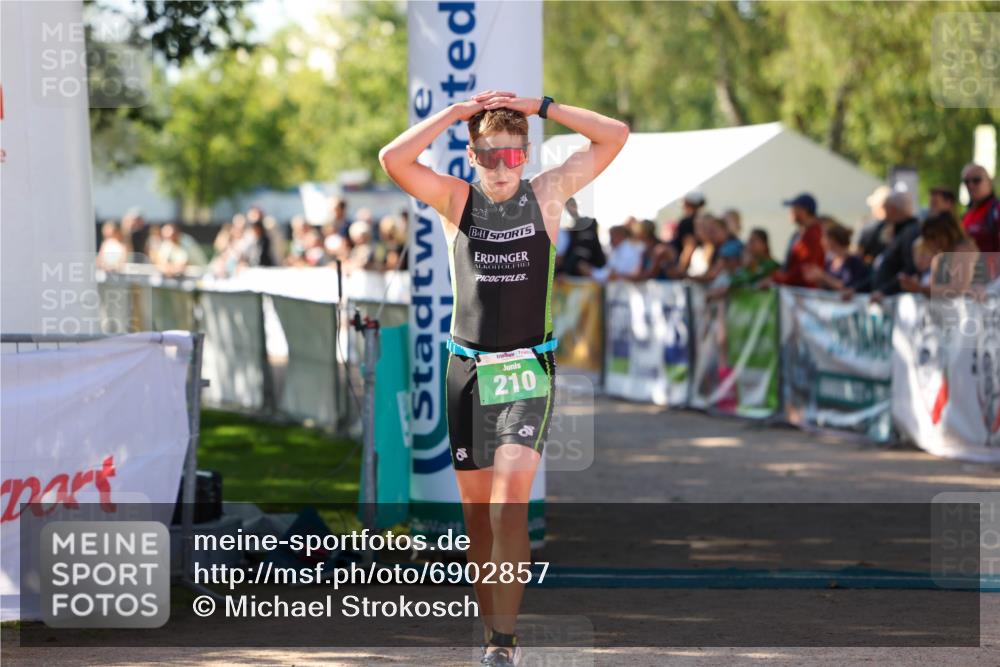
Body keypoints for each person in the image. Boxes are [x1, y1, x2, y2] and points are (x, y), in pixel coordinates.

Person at [379, 89, 628, 666]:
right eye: (488, 156)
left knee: (507, 505)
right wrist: (454, 114)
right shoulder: (455, 200)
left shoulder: (547, 195)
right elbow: (393, 159)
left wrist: (543, 106)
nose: (500, 168)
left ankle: (502, 643)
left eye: (512, 157)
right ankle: (494, 625)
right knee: (477, 521)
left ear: (526, 157)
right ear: (472, 156)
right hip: (466, 369)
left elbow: (614, 134)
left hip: (526, 369)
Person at [768, 193, 824, 288]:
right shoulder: (799, 234)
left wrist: (778, 278)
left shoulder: (813, 235)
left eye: (794, 209)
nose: (791, 212)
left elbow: (805, 268)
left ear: (803, 211)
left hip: (805, 293)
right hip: (794, 290)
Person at [870, 191, 920, 297]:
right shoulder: (899, 232)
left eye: (885, 209)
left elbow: (910, 269)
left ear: (893, 208)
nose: (884, 214)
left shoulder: (909, 232)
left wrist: (885, 291)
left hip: (897, 301)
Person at [804, 219, 870, 293]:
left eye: (824, 238)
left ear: (832, 240)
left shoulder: (854, 262)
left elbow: (847, 287)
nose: (821, 241)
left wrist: (823, 276)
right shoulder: (829, 261)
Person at [557, 197, 606, 277]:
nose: (570, 209)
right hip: (572, 272)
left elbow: (584, 249)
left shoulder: (589, 224)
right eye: (567, 207)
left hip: (587, 271)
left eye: (572, 206)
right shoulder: (569, 230)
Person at [959, 163, 1000, 254]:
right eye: (966, 181)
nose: (971, 185)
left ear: (989, 182)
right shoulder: (966, 216)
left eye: (976, 180)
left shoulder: (996, 211)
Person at [669, 191, 705, 274]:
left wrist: (681, 268)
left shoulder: (688, 222)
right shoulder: (700, 219)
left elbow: (689, 246)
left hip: (689, 267)